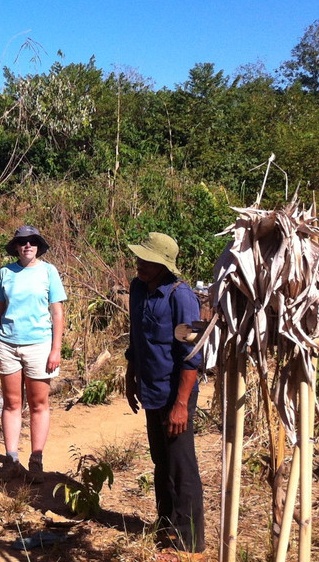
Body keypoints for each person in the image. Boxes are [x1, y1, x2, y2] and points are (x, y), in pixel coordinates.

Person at [124, 232, 205, 557]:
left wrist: (182, 405)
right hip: (151, 390)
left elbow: (192, 357)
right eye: (140, 258)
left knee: (181, 465)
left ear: (163, 264)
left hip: (176, 395)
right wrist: (131, 379)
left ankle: (189, 542)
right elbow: (137, 341)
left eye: (148, 260)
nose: (140, 264)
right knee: (161, 462)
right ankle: (166, 526)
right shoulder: (137, 289)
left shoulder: (182, 297)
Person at [0, 225, 67, 483]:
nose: (27, 246)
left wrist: (56, 348)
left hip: (39, 346)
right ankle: (11, 459)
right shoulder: (5, 273)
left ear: (38, 245)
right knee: (11, 403)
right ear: (16, 247)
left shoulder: (49, 272)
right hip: (8, 345)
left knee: (39, 404)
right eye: (22, 242)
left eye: (32, 242)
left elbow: (57, 313)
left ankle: (36, 461)